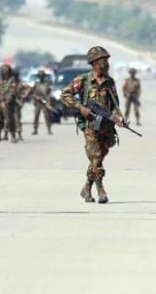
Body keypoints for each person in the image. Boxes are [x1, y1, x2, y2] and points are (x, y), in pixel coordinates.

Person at [61, 46, 125, 204]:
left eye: (107, 60)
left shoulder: (110, 82)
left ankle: (86, 188)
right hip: (90, 126)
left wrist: (119, 118)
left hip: (106, 127)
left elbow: (115, 104)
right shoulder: (83, 80)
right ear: (95, 63)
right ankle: (101, 190)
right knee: (95, 157)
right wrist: (80, 108)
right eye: (104, 60)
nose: (106, 63)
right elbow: (65, 94)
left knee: (98, 159)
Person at [0, 64, 18, 143]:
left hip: (8, 103)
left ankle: (13, 135)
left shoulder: (12, 81)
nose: (4, 73)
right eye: (3, 72)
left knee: (9, 120)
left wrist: (6, 101)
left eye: (5, 72)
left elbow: (12, 92)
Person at [31, 69, 54, 135]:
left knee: (47, 116)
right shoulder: (36, 84)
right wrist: (36, 97)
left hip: (45, 102)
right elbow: (32, 93)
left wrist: (48, 103)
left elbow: (49, 94)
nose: (41, 77)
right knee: (36, 116)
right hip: (38, 102)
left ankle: (49, 129)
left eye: (42, 76)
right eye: (40, 76)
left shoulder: (47, 84)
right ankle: (35, 129)